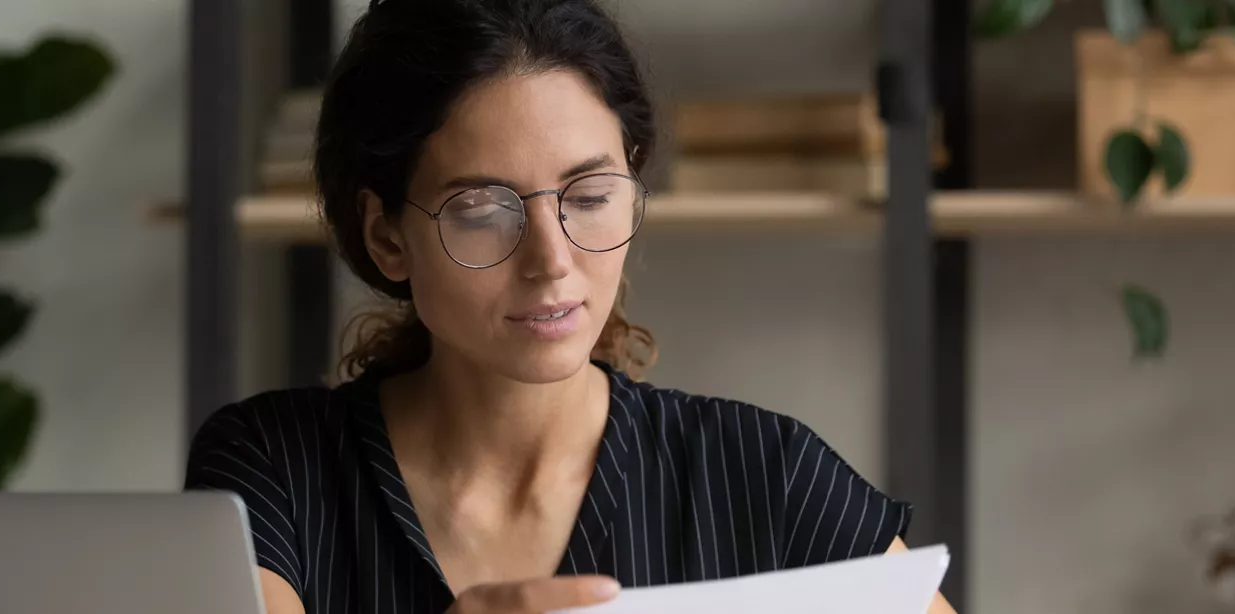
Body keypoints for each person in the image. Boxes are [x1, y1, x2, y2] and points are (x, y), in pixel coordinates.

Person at [185, 0, 957, 612]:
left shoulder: (764, 474)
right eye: (483, 210)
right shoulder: (275, 470)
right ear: (386, 236)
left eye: (589, 197)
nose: (553, 261)